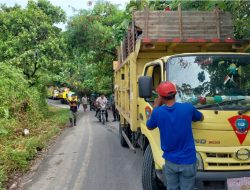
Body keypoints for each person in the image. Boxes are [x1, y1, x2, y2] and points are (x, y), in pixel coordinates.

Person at [146, 81, 204, 190]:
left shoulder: (158, 112)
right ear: (175, 94)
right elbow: (201, 117)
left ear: (161, 97)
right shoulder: (188, 108)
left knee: (172, 188)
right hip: (188, 161)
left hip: (170, 161)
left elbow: (149, 126)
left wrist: (156, 105)